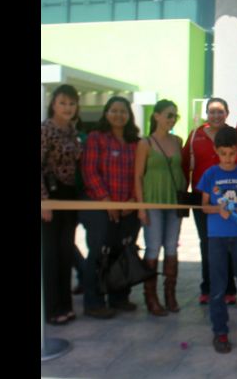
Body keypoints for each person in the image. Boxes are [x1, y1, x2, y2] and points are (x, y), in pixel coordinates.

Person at [197, 127, 237, 353]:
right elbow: (204, 206)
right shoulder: (210, 174)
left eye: (232, 153)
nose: (228, 158)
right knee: (218, 286)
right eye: (223, 154)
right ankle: (220, 330)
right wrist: (217, 210)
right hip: (216, 238)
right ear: (216, 151)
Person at [80, 96, 142, 319]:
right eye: (114, 110)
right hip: (99, 207)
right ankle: (94, 301)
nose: (118, 115)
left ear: (129, 115)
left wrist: (133, 201)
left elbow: (139, 174)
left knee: (122, 253)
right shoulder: (96, 138)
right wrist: (107, 202)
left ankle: (119, 297)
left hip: (129, 209)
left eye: (123, 111)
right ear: (106, 113)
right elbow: (90, 172)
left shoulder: (135, 142)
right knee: (98, 254)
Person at [182, 98, 237, 306]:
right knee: (207, 243)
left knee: (229, 242)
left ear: (227, 113)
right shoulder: (196, 135)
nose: (216, 115)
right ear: (206, 114)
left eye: (220, 111)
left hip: (230, 194)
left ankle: (230, 289)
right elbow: (184, 163)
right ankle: (207, 287)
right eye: (212, 111)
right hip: (202, 197)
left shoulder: (233, 134)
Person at [134, 99, 185, 316]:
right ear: (156, 116)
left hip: (174, 202)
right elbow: (137, 176)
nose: (172, 119)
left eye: (175, 116)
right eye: (168, 115)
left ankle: (170, 295)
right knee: (153, 248)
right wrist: (141, 207)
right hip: (153, 202)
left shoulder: (178, 140)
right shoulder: (145, 142)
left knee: (172, 248)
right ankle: (151, 297)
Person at [41, 84, 83, 325]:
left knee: (66, 251)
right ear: (53, 104)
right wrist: (44, 201)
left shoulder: (72, 131)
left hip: (69, 194)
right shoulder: (45, 129)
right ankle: (51, 308)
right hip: (50, 194)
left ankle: (65, 305)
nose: (67, 108)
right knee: (51, 254)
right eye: (62, 103)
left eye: (71, 103)